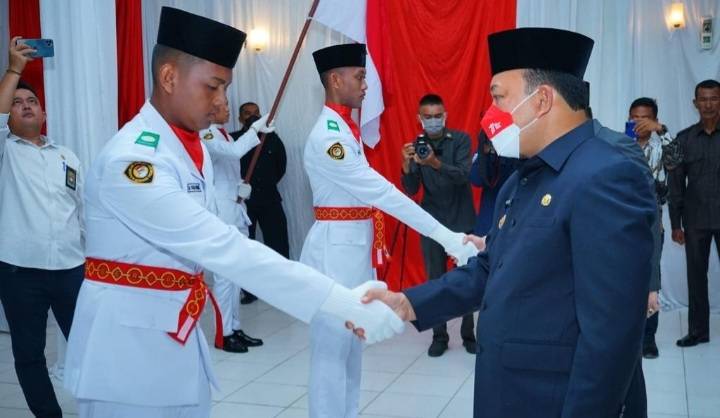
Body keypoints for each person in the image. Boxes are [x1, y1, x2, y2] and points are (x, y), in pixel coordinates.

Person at [62, 8, 404, 418]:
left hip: (176, 335)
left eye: (225, 87)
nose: (222, 101)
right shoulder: (133, 160)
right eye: (213, 87)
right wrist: (342, 302)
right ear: (169, 77)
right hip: (126, 357)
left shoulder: (184, 149)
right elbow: (225, 247)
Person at [362, 28, 657, 418]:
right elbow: (490, 268)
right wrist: (408, 303)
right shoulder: (522, 179)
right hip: (508, 391)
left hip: (555, 398)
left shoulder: (606, 174)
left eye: (499, 97)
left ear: (542, 100)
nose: (491, 113)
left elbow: (612, 335)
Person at [302, 43, 478, 418]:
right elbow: (381, 192)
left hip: (352, 248)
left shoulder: (344, 129)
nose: (366, 85)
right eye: (360, 77)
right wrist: (445, 236)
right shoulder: (329, 136)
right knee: (332, 351)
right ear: (335, 80)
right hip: (335, 252)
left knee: (352, 345)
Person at [0, 38, 85, 418]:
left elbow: (83, 212)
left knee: (89, 346)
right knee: (29, 353)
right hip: (19, 271)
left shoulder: (67, 156)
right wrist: (14, 69)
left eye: (31, 101)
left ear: (44, 112)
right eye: (17, 102)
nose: (25, 105)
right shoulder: (6, 151)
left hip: (70, 268)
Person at [401, 93, 477, 356]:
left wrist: (434, 162)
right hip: (432, 222)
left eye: (437, 116)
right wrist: (406, 165)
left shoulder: (461, 140)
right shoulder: (416, 146)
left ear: (445, 116)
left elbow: (463, 175)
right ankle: (439, 337)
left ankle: (469, 335)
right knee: (435, 281)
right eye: (428, 117)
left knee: (468, 279)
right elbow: (411, 189)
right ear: (419, 119)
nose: (433, 121)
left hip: (462, 219)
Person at [200, 99, 264, 352]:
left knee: (237, 272)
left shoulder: (224, 134)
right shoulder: (206, 134)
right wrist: (255, 129)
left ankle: (235, 327)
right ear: (210, 109)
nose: (227, 109)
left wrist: (241, 188)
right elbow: (235, 152)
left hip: (235, 209)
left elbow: (229, 170)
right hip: (220, 213)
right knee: (225, 276)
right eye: (223, 106)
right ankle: (224, 333)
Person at [668, 78, 720, 347]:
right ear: (695, 103)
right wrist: (676, 224)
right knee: (696, 277)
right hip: (695, 219)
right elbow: (675, 185)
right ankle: (698, 332)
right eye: (703, 99)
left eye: (714, 98)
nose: (708, 104)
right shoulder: (683, 139)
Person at [628, 97, 674, 359]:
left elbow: (677, 159)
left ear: (654, 120)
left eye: (644, 118)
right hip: (623, 221)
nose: (639, 122)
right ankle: (628, 337)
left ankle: (648, 339)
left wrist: (662, 130)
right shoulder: (620, 145)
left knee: (651, 280)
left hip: (653, 223)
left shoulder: (661, 147)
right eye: (634, 117)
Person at [234, 102, 290, 305]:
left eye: (256, 113)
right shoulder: (234, 140)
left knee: (277, 243)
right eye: (247, 113)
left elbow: (281, 166)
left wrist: (267, 182)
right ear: (240, 118)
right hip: (243, 202)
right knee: (245, 247)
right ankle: (249, 290)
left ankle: (282, 287)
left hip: (269, 198)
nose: (252, 116)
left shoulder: (272, 138)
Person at [469, 130, 520, 236]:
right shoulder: (490, 149)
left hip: (514, 220)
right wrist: (488, 153)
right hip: (488, 219)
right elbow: (476, 179)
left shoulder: (523, 150)